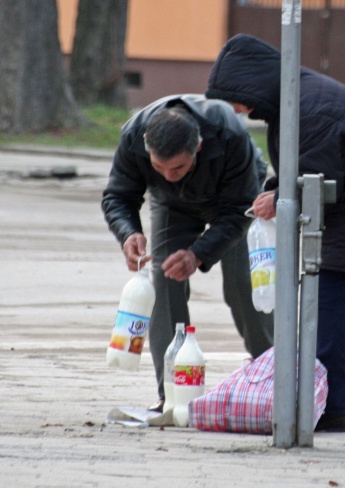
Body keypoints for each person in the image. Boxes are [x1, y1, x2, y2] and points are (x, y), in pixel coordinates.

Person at [206, 34, 345, 432]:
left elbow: (319, 176)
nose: (236, 109)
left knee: (331, 313)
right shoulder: (295, 100)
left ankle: (329, 410)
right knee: (330, 311)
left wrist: (281, 195)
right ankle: (324, 403)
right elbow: (305, 165)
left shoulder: (311, 105)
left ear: (251, 84)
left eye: (234, 98)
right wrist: (278, 188)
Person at [101, 94, 274, 411]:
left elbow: (238, 211)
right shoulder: (133, 135)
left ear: (197, 147)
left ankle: (273, 373)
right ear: (145, 145)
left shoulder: (229, 133)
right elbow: (117, 195)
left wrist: (198, 254)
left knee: (242, 285)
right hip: (172, 205)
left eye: (177, 167)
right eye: (158, 167)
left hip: (236, 198)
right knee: (165, 282)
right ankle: (172, 393)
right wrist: (129, 233)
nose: (168, 174)